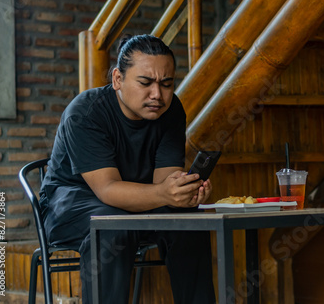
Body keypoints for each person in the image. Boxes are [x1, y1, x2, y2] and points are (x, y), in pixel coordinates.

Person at [39, 34, 216, 304]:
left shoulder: (171, 110)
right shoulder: (86, 112)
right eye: (145, 83)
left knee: (187, 222)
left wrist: (183, 192)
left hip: (134, 202)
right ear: (117, 79)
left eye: (167, 84)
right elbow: (108, 189)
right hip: (70, 204)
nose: (157, 94)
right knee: (112, 227)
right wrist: (164, 194)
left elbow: (164, 181)